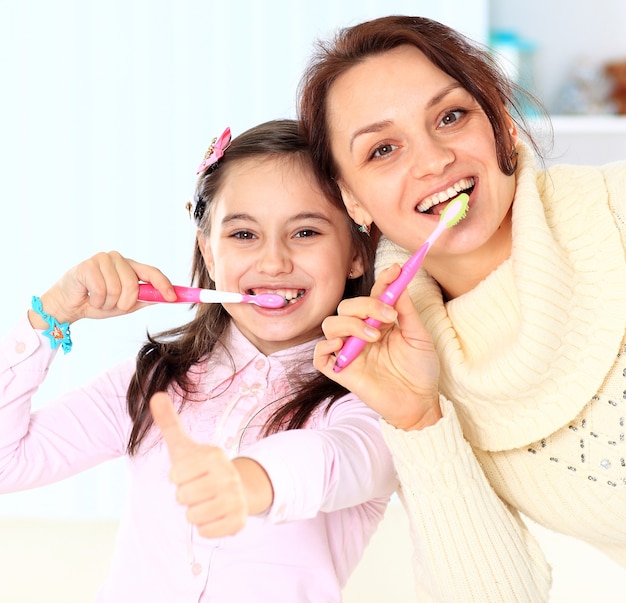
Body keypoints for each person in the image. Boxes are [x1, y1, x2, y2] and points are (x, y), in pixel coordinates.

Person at [297, 14, 626, 602]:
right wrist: (416, 420)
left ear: (500, 120)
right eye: (383, 149)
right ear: (352, 199)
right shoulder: (411, 366)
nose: (433, 160)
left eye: (451, 117)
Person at [0, 119, 398, 602]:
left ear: (358, 254)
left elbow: (344, 458)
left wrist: (250, 480)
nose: (273, 262)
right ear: (208, 252)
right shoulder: (152, 382)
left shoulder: (370, 399)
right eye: (244, 235)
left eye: (306, 232)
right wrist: (51, 314)